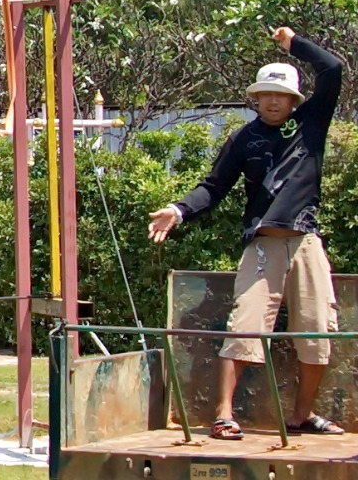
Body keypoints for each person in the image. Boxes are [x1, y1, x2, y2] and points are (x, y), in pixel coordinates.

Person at [147, 26, 346, 441]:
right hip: (263, 244)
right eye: (266, 95)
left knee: (318, 330)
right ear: (256, 98)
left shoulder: (310, 123)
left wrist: (293, 44)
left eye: (282, 96)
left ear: (294, 100)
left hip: (306, 240)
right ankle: (224, 414)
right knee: (244, 327)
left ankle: (303, 415)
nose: (273, 101)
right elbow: (213, 187)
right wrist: (179, 210)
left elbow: (332, 68)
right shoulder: (244, 137)